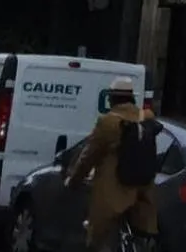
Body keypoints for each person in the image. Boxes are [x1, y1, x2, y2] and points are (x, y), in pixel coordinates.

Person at [66, 76, 160, 251]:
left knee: (99, 236)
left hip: (115, 190)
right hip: (143, 190)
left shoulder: (108, 122)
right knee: (141, 234)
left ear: (113, 98)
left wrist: (74, 179)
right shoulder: (146, 117)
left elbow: (89, 156)